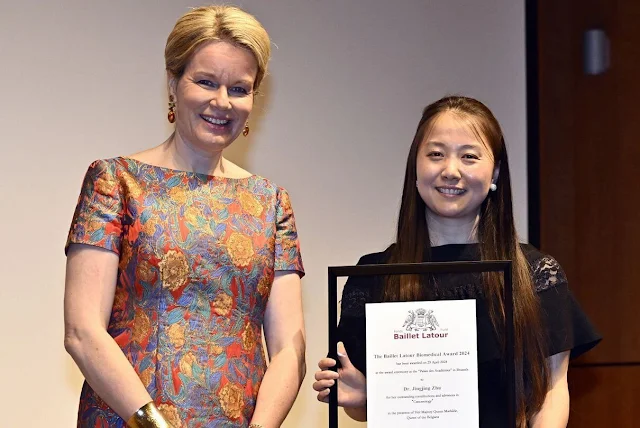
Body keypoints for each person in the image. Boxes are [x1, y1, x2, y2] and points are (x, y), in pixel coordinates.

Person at [63, 5, 306, 427]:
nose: (222, 102)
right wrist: (153, 424)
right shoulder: (115, 181)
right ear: (173, 84)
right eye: (206, 82)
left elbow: (289, 349)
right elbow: (83, 332)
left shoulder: (271, 203)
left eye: (239, 88)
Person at [312, 96, 601, 427]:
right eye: (436, 154)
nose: (451, 171)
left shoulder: (535, 274)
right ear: (415, 167)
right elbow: (360, 407)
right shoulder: (373, 276)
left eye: (469, 156)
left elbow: (551, 393)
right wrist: (363, 397)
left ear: (495, 173)